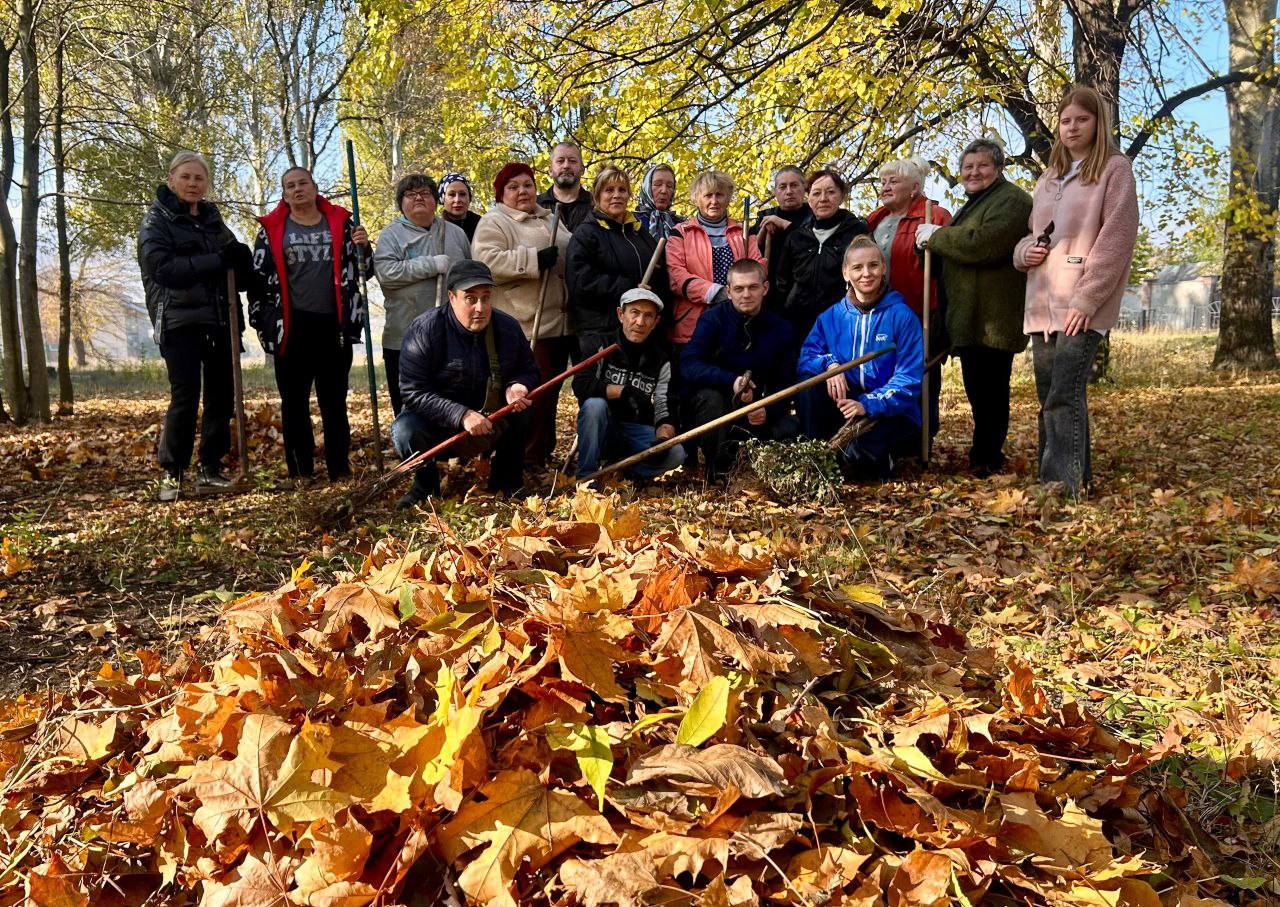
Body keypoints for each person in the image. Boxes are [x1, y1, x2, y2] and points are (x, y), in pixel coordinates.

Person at [1013, 85, 1139, 498]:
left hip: (1080, 303)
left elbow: (1116, 239)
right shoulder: (1048, 179)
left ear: (1097, 123)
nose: (1071, 127)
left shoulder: (1114, 170)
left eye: (1081, 120)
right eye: (1065, 121)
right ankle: (1074, 478)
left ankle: (1057, 486)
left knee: (1062, 395)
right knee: (1051, 395)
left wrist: (1088, 298)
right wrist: (1023, 253)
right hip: (1042, 303)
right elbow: (1032, 235)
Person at [138, 150, 253, 501]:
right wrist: (217, 260)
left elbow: (236, 271)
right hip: (178, 321)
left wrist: (242, 261)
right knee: (185, 397)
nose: (192, 183)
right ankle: (172, 473)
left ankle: (210, 469)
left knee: (220, 398)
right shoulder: (156, 221)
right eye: (186, 177)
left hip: (220, 320)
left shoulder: (214, 222)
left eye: (199, 178)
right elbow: (163, 268)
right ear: (171, 179)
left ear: (206, 184)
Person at [915, 139, 1033, 477]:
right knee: (978, 392)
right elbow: (955, 251)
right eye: (968, 167)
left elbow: (982, 245)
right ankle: (979, 455)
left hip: (991, 320)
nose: (974, 172)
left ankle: (987, 459)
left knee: (990, 395)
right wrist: (926, 247)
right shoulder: (974, 204)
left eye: (982, 166)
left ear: (998, 168)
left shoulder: (1012, 201)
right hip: (968, 319)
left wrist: (937, 237)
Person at [248, 166, 371, 483]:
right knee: (294, 403)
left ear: (315, 188)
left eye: (303, 183)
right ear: (285, 195)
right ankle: (301, 471)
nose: (297, 189)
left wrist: (364, 246)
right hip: (291, 327)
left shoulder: (342, 223)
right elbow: (257, 280)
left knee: (334, 401)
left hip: (334, 326)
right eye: (290, 185)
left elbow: (364, 272)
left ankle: (339, 469)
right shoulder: (272, 229)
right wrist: (263, 321)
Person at [391, 260, 539, 509]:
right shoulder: (424, 330)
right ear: (451, 297)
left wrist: (517, 386)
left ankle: (506, 483)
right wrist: (460, 415)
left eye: (486, 298)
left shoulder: (508, 328)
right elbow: (412, 392)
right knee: (405, 430)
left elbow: (529, 370)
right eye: (471, 298)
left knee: (526, 412)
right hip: (436, 425)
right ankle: (425, 488)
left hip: (491, 420)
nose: (480, 308)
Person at [472, 161, 574, 465]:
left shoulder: (550, 217)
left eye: (527, 185)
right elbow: (485, 262)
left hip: (560, 321)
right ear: (501, 193)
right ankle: (526, 457)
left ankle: (543, 451)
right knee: (531, 394)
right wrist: (532, 259)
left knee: (551, 394)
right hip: (526, 321)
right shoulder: (495, 222)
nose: (522, 192)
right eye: (513, 187)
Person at [797, 236, 924, 479]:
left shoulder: (902, 316)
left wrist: (868, 404)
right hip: (844, 407)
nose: (866, 273)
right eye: (857, 267)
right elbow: (806, 359)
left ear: (883, 268)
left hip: (890, 411)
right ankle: (815, 455)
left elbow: (908, 379)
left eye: (873, 265)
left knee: (859, 456)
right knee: (807, 384)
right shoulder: (831, 317)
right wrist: (830, 365)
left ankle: (885, 457)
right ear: (846, 273)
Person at [681, 259, 797, 482]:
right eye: (739, 289)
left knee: (791, 429)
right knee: (711, 399)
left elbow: (787, 380)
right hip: (715, 408)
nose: (746, 295)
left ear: (765, 288)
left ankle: (758, 469)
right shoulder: (712, 319)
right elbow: (689, 363)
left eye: (753, 287)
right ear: (728, 291)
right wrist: (730, 381)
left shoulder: (781, 328)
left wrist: (768, 409)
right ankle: (718, 473)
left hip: (757, 407)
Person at [866, 156, 951, 444]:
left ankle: (922, 437)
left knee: (921, 372)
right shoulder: (875, 219)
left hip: (920, 310)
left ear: (914, 187)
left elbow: (948, 265)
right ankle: (891, 437)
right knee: (886, 371)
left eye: (894, 181)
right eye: (884, 181)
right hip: (881, 312)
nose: (886, 186)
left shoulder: (934, 216)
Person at [374, 173, 471, 416]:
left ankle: (452, 451)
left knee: (452, 405)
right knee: (410, 409)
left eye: (425, 193)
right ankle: (418, 454)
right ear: (401, 203)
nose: (419, 198)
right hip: (405, 338)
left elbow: (470, 277)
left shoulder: (455, 234)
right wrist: (430, 265)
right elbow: (386, 273)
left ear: (435, 200)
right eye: (410, 194)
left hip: (452, 338)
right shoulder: (391, 235)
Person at [574, 288, 686, 482]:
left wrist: (663, 440)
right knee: (594, 405)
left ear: (655, 322)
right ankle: (586, 479)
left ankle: (624, 472)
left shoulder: (661, 361)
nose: (640, 322)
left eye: (648, 316)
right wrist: (622, 391)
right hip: (601, 427)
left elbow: (664, 407)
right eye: (634, 313)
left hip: (635, 431)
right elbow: (581, 385)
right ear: (621, 314)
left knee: (676, 452)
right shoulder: (600, 345)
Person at [566, 165, 671, 358]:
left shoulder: (640, 233)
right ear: (597, 196)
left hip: (642, 330)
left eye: (622, 190)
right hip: (602, 331)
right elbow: (581, 282)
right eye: (609, 190)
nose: (616, 195)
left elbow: (660, 276)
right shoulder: (587, 234)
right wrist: (629, 288)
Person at [666, 170, 765, 351]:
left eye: (719, 195)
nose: (714, 201)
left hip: (737, 322)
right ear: (696, 199)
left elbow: (758, 267)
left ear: (728, 198)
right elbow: (676, 276)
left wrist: (741, 293)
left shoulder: (743, 232)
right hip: (692, 324)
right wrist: (715, 292)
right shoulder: (680, 232)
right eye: (708, 195)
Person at [772, 168, 869, 349]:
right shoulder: (797, 237)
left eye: (830, 192)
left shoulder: (857, 233)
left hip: (841, 325)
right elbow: (782, 284)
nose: (823, 199)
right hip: (797, 326)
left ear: (842, 196)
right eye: (816, 193)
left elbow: (868, 279)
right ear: (809, 199)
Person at [750, 166, 810, 303]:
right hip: (770, 300)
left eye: (794, 185)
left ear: (804, 188)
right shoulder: (764, 217)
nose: (789, 191)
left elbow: (810, 247)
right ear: (775, 191)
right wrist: (761, 234)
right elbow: (748, 254)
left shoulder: (815, 217)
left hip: (805, 297)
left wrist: (785, 225)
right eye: (783, 187)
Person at [537, 141, 594, 231]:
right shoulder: (535, 206)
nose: (566, 166)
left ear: (582, 169)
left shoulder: (597, 205)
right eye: (560, 161)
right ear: (550, 170)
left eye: (572, 161)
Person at [634, 164, 685, 241]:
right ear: (646, 187)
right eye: (657, 184)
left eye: (669, 186)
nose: (664, 190)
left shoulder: (682, 225)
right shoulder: (631, 222)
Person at [438, 172, 482, 240]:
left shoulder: (483, 225)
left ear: (469, 198)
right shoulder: (436, 230)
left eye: (462, 194)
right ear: (443, 199)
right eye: (451, 195)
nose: (457, 200)